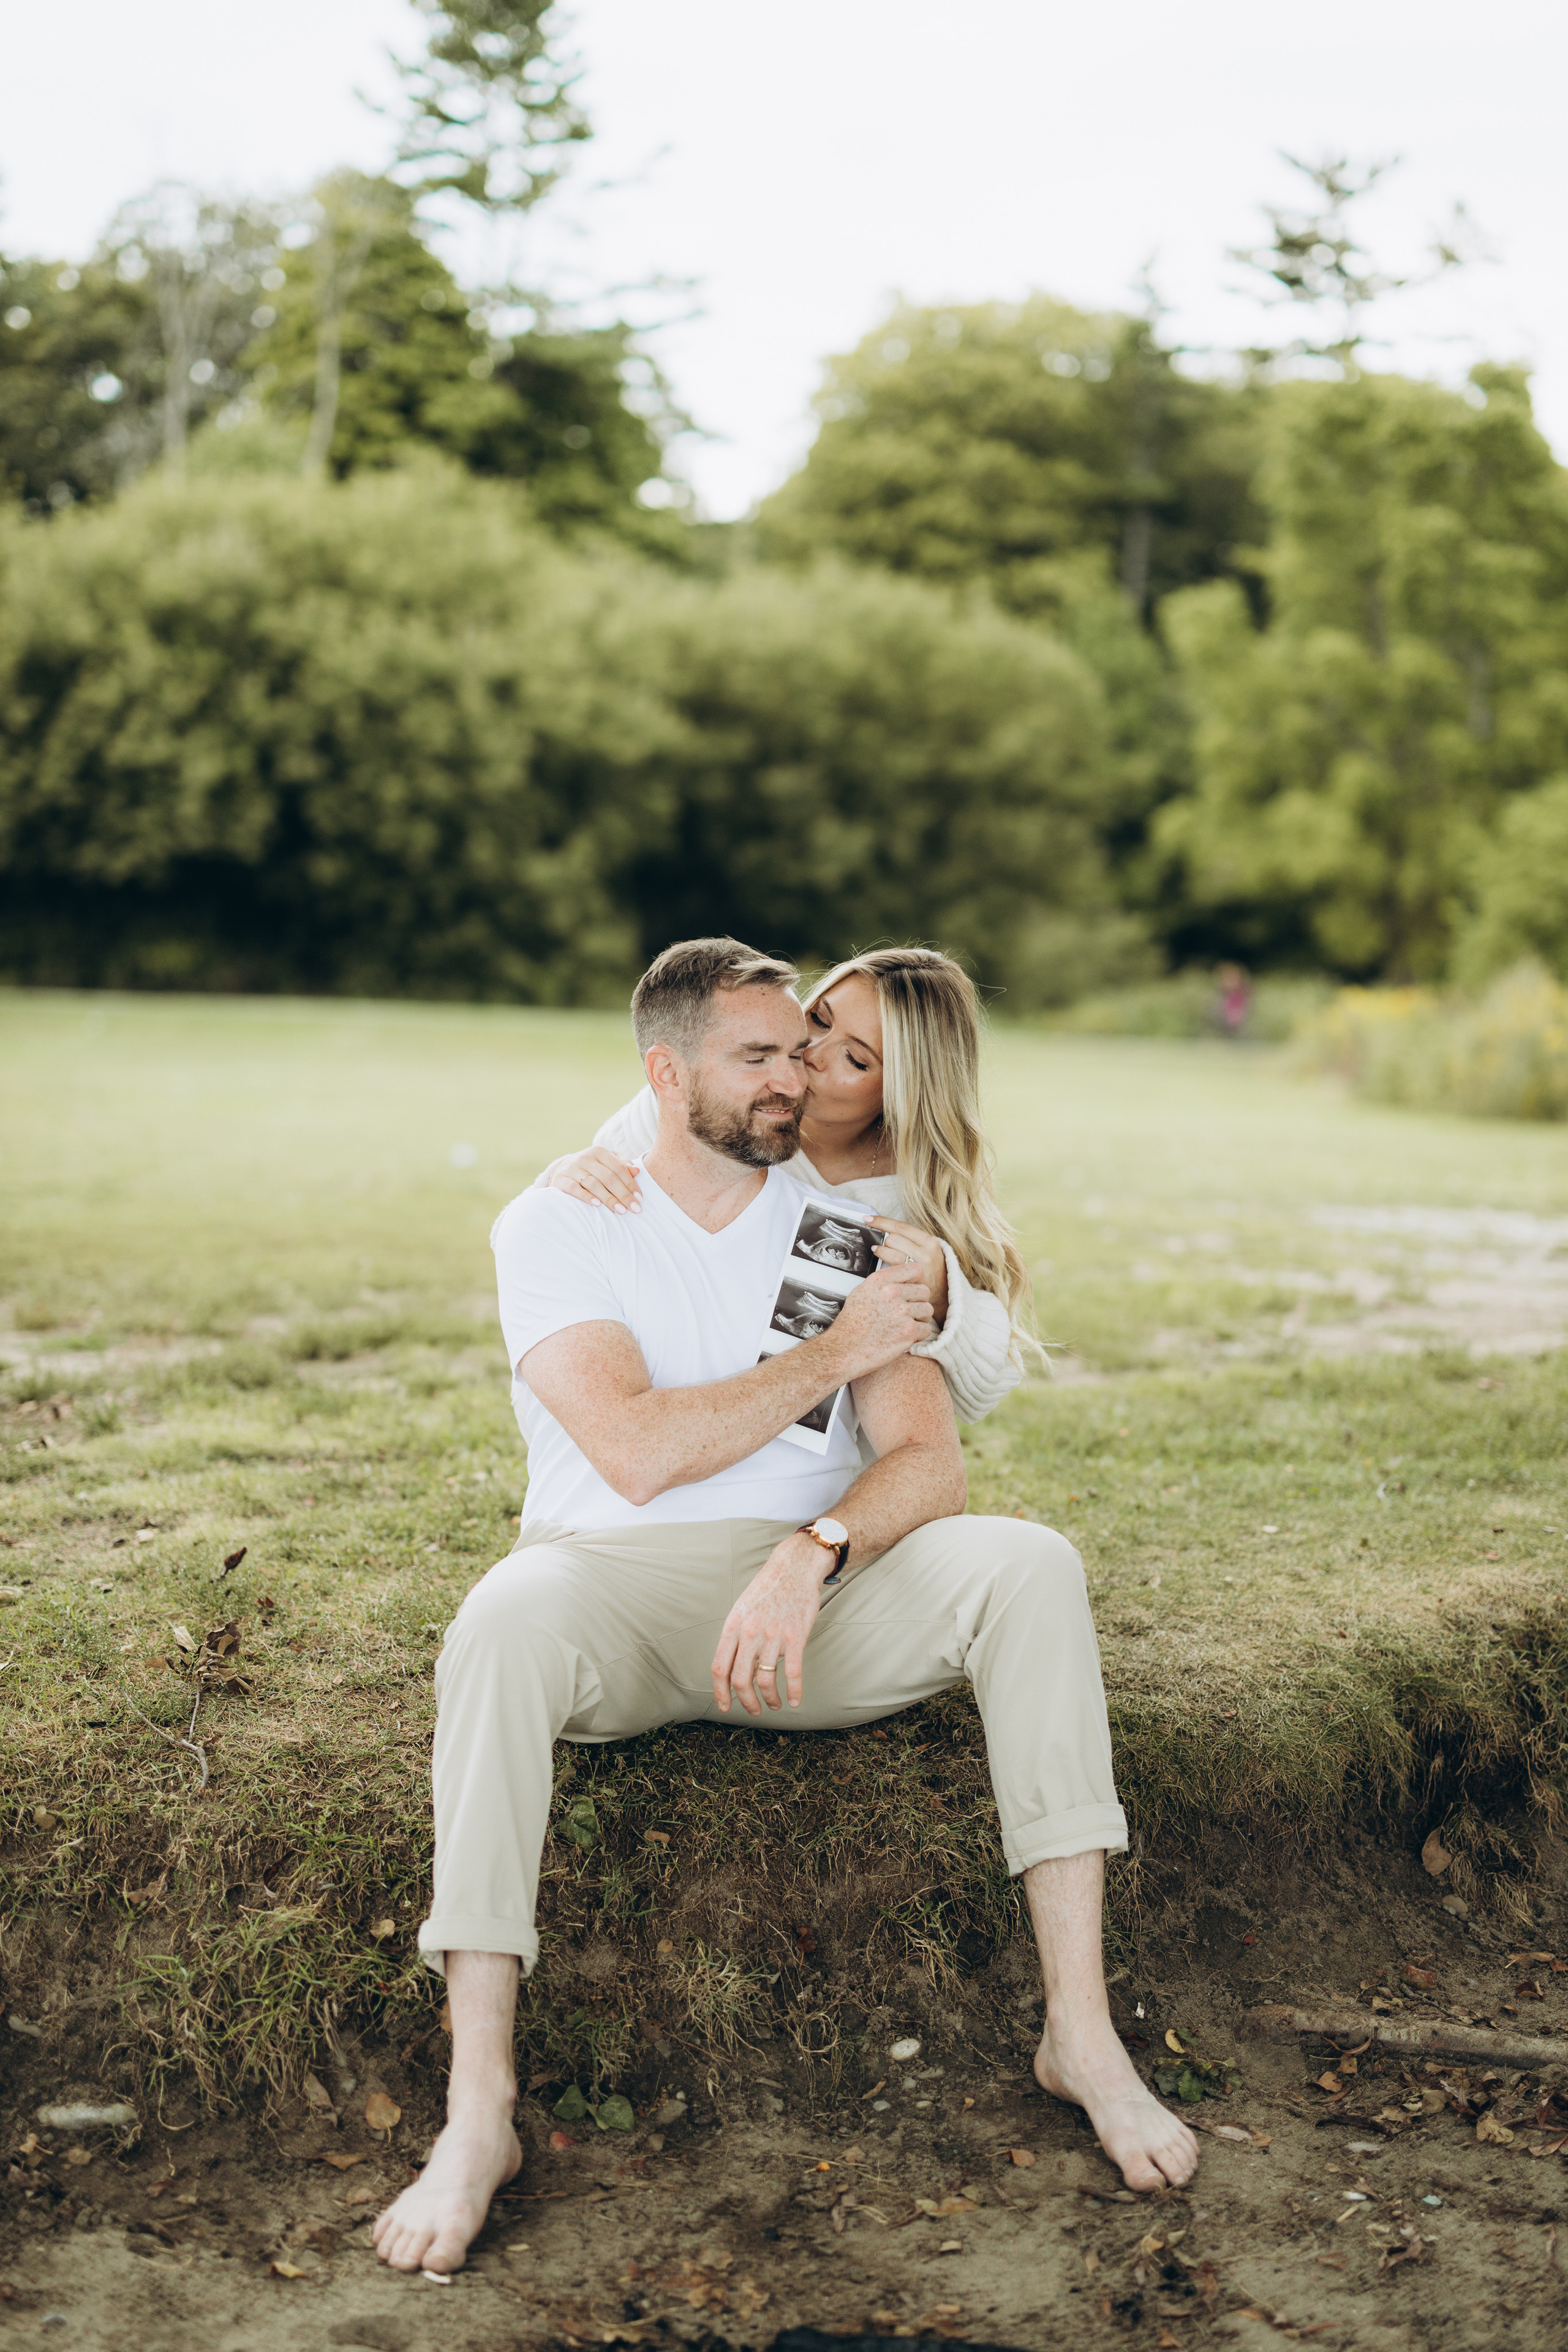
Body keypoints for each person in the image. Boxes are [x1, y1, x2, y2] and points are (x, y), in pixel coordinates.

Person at [372, 937, 1197, 2279]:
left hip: (812, 1606)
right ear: (667, 1072)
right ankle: (479, 2113)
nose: (796, 1074)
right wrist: (832, 1353)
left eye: (811, 1054)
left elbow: (929, 1460)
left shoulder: (851, 1233)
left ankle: (1081, 2036)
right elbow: (630, 1451)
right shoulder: (563, 1215)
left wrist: (810, 1547)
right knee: (500, 1619)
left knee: (1029, 1563)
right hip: (614, 1596)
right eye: (766, 1052)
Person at [541, 947, 1033, 1436]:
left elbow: (987, 1388)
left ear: (901, 1090)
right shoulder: (708, 1106)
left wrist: (945, 1296)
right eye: (818, 1019)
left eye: (856, 1059)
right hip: (678, 1419)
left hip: (824, 1466)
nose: (810, 1055)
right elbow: (571, 1223)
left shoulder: (910, 1197)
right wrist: (569, 1172)